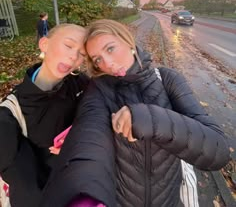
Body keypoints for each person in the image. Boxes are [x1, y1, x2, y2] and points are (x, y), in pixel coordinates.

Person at [41, 19, 230, 207]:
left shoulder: (167, 80)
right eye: (97, 59)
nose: (107, 63)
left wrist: (148, 118)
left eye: (110, 49)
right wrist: (85, 198)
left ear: (128, 41)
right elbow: (91, 134)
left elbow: (218, 151)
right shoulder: (99, 90)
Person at [0, 23, 89, 207]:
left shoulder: (81, 85)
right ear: (44, 44)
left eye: (82, 54)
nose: (74, 56)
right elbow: (27, 189)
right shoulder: (10, 115)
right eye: (68, 45)